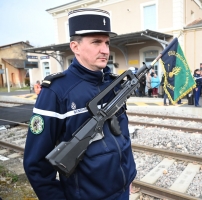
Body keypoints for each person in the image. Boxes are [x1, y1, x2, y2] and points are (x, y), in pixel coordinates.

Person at [23, 8, 136, 200]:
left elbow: (122, 135)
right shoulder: (56, 91)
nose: (105, 50)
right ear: (75, 47)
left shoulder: (112, 84)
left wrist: (129, 175)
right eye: (96, 42)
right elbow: (35, 163)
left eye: (107, 42)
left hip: (121, 192)